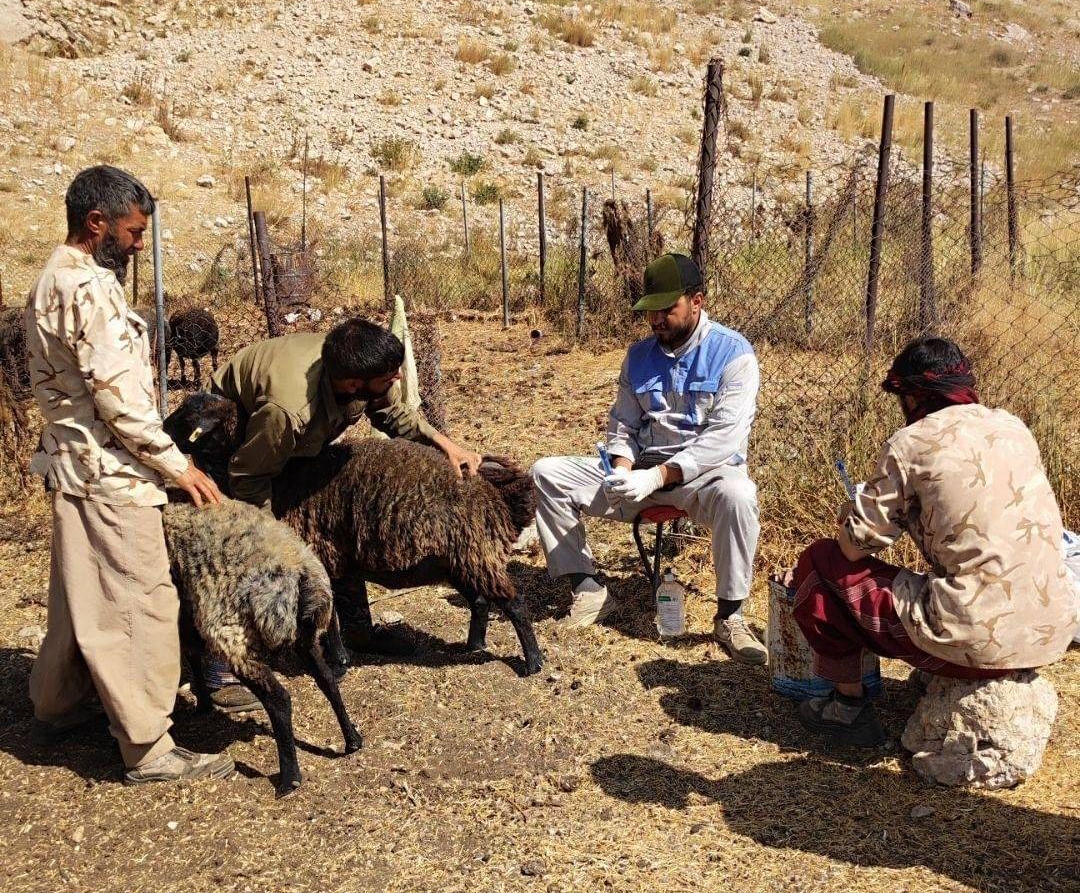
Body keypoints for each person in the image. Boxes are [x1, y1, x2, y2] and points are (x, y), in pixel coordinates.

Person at [25, 165, 230, 784]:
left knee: (80, 591)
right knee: (139, 601)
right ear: (97, 223)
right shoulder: (87, 290)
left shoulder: (53, 279)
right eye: (134, 231)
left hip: (73, 465)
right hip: (113, 473)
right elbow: (119, 401)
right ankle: (147, 745)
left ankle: (57, 704)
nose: (140, 243)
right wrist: (178, 465)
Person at [791, 336, 1078, 747]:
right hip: (1052, 630)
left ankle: (847, 706)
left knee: (819, 563)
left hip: (978, 642)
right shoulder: (1013, 426)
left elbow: (855, 547)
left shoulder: (909, 444)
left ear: (911, 396)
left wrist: (853, 513)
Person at [531, 252, 767, 663]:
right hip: (641, 477)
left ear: (697, 301)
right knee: (547, 473)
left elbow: (723, 441)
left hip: (701, 480)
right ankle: (588, 589)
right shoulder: (639, 356)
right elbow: (622, 424)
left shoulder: (734, 355)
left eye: (666, 310)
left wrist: (657, 477)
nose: (656, 321)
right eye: (650, 312)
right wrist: (621, 468)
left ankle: (730, 616)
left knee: (740, 494)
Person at [209, 319, 481, 511]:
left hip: (280, 430)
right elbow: (248, 478)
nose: (398, 377)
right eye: (389, 377)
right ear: (353, 385)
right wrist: (276, 543)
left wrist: (446, 445)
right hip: (226, 427)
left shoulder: (359, 369)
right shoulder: (287, 412)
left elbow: (393, 412)